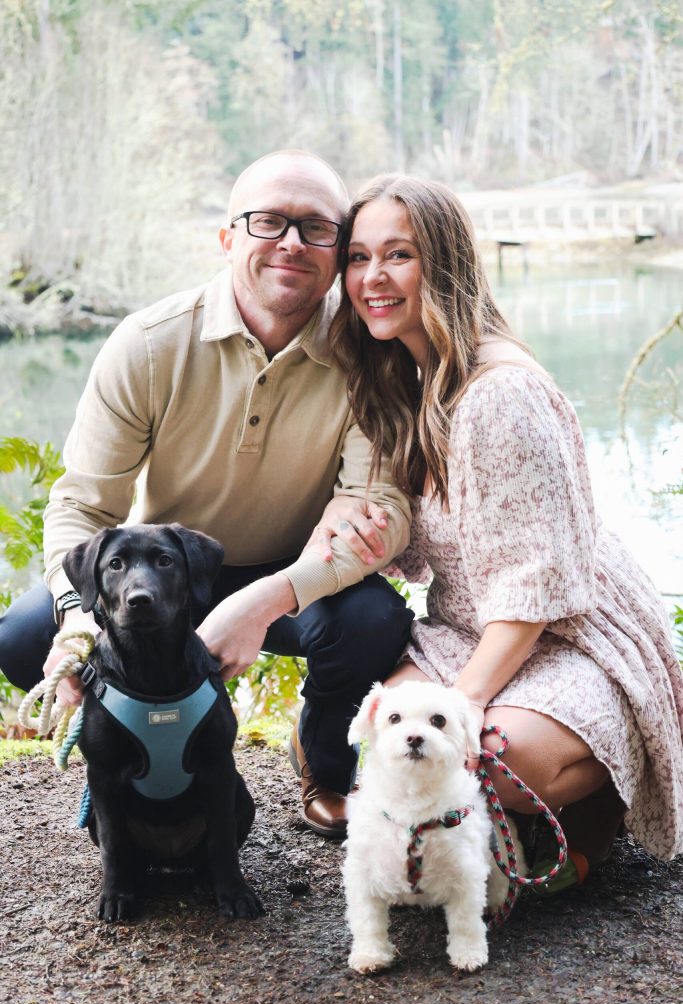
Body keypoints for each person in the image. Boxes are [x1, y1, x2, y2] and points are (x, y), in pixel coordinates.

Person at [0, 152, 415, 839]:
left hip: (298, 574)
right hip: (161, 571)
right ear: (228, 239)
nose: (290, 241)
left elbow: (383, 515)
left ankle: (322, 756)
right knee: (22, 639)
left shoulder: (372, 354)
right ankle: (142, 754)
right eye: (268, 221)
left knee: (372, 622)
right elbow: (82, 506)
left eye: (316, 227)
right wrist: (79, 616)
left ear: (339, 252)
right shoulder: (150, 344)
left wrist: (265, 599)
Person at [317, 173, 683, 872]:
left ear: (444, 263)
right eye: (358, 258)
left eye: (398, 254)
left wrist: (462, 704)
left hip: (568, 633)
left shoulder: (499, 394)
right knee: (358, 737)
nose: (372, 277)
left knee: (480, 755)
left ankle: (596, 801)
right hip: (467, 629)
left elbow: (531, 588)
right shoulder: (413, 379)